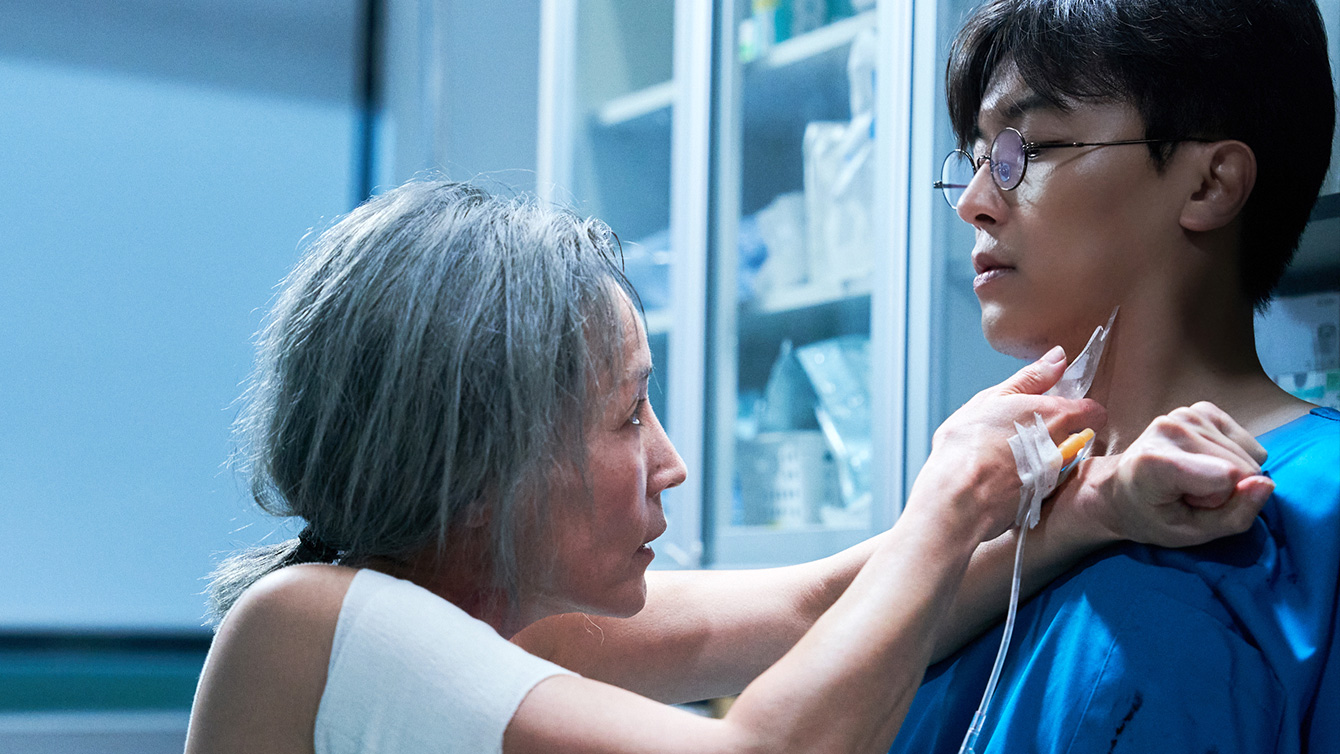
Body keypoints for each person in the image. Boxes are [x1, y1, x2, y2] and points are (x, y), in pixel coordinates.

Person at [184, 180, 1271, 754]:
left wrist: (1088, 508)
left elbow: (813, 609)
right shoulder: (311, 625)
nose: (670, 462)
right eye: (624, 415)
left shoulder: (479, 614)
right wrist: (944, 500)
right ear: (481, 458)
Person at [889, 0, 1340, 751]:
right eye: (974, 159)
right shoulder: (995, 530)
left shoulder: (1318, 512)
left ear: (1210, 185)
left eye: (1021, 150)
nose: (973, 204)